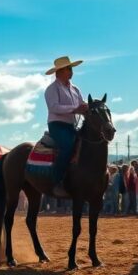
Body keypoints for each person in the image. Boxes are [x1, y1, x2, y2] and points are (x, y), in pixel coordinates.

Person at [44, 56, 88, 197]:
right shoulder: (51, 89)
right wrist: (75, 109)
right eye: (68, 68)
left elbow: (81, 105)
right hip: (57, 125)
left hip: (71, 125)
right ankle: (57, 182)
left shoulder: (75, 89)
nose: (71, 71)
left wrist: (88, 108)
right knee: (67, 146)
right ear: (60, 72)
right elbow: (54, 107)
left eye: (71, 68)